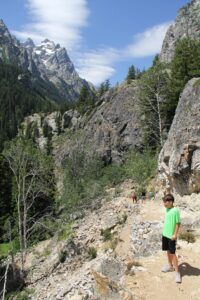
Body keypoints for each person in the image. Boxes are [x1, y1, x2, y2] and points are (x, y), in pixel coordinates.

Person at [161, 193, 181, 283]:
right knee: (168, 251)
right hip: (165, 234)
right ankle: (170, 266)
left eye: (165, 202)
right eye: (164, 202)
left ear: (171, 202)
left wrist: (175, 234)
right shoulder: (167, 210)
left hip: (171, 236)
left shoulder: (175, 210)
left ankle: (177, 273)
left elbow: (178, 223)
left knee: (173, 253)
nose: (164, 204)